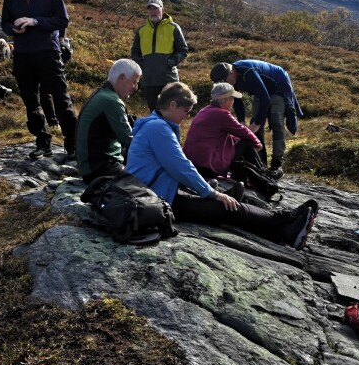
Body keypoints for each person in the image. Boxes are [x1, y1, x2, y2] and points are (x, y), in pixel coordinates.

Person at [126, 82, 319, 250]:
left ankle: (284, 231)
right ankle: (285, 219)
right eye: (186, 111)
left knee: (230, 204)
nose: (187, 116)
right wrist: (212, 193)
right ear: (172, 105)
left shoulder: (156, 125)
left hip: (159, 194)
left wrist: (206, 189)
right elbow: (181, 167)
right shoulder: (158, 128)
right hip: (157, 201)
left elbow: (173, 167)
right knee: (226, 207)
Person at [1, 0, 77, 159]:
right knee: (31, 101)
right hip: (23, 55)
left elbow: (63, 20)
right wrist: (13, 29)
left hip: (48, 52)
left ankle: (73, 145)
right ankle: (43, 143)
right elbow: (4, 23)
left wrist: (35, 21)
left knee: (61, 99)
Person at [210, 59, 302, 179]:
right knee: (255, 122)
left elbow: (266, 98)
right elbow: (238, 99)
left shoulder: (248, 72)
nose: (225, 84)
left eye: (224, 80)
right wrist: (242, 121)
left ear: (231, 72)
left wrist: (257, 123)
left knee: (276, 121)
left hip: (278, 85)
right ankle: (261, 163)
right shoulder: (231, 80)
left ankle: (277, 164)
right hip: (261, 91)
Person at [75, 59, 142, 184]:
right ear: (122, 78)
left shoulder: (103, 94)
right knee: (147, 179)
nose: (135, 87)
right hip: (100, 170)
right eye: (134, 82)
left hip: (91, 167)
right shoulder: (112, 101)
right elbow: (131, 141)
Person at [183, 82, 263, 180]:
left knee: (239, 142)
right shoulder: (222, 114)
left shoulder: (204, 111)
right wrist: (257, 143)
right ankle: (262, 176)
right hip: (208, 165)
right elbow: (243, 131)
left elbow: (223, 135)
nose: (233, 101)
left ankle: (252, 175)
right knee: (247, 142)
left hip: (194, 163)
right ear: (226, 100)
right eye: (232, 98)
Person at [130, 0, 188, 111]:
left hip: (169, 80)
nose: (153, 11)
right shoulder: (142, 31)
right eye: (150, 9)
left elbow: (183, 50)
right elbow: (135, 52)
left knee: (171, 112)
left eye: (156, 8)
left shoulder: (173, 27)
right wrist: (142, 63)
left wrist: (171, 62)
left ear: (163, 10)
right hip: (149, 81)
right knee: (155, 113)